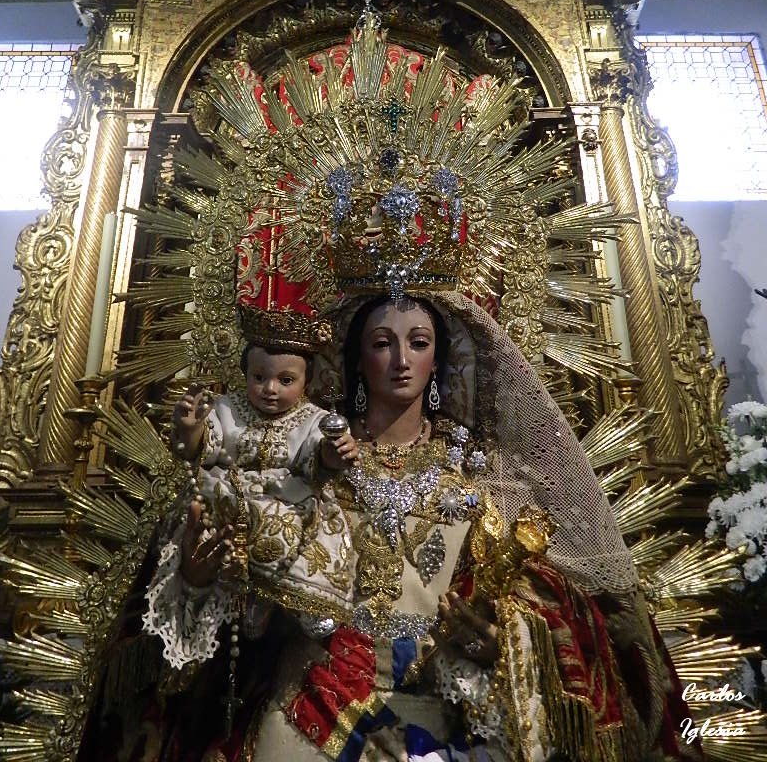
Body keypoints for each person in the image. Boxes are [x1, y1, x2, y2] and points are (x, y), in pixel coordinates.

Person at [147, 291, 699, 762]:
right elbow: (257, 604)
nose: (400, 361)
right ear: (356, 357)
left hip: (439, 704)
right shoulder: (306, 456)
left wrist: (501, 640)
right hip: (313, 694)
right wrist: (202, 575)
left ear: (440, 359)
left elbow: (530, 600)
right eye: (381, 343)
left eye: (418, 342)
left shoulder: (477, 475)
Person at [143, 305, 361, 673]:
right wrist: (190, 428)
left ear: (306, 382)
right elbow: (203, 447)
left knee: (301, 530)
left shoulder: (314, 419)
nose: (270, 389)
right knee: (207, 518)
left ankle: (297, 600)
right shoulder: (227, 408)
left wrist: (333, 454)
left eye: (285, 380)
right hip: (229, 496)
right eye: (259, 377)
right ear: (245, 373)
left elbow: (318, 458)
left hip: (289, 501)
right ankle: (243, 599)